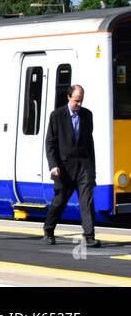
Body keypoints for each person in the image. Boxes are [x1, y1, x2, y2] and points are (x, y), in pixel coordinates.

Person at [43, 84, 99, 247]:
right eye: (76, 101)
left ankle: (89, 236)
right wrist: (53, 165)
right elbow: (50, 143)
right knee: (60, 201)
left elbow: (90, 143)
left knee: (87, 201)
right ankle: (49, 229)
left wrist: (92, 170)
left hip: (84, 167)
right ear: (68, 97)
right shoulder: (57, 115)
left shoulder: (87, 115)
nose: (79, 104)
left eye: (81, 101)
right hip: (64, 168)